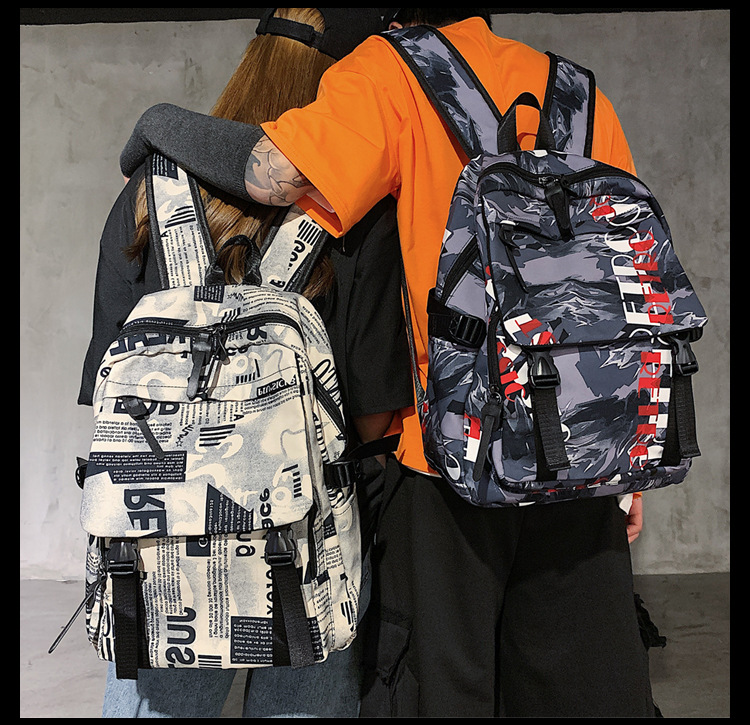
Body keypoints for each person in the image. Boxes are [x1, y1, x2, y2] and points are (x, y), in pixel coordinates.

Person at [118, 8, 656, 718]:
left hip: (452, 460)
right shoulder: (581, 94)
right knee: (582, 689)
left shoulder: (394, 70)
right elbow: (625, 288)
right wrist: (630, 462)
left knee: (442, 688)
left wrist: (158, 122)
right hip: (583, 447)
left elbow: (274, 175)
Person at [78, 8, 413, 718]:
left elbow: (106, 383)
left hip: (162, 534)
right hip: (304, 538)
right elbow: (373, 412)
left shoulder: (145, 196)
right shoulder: (355, 215)